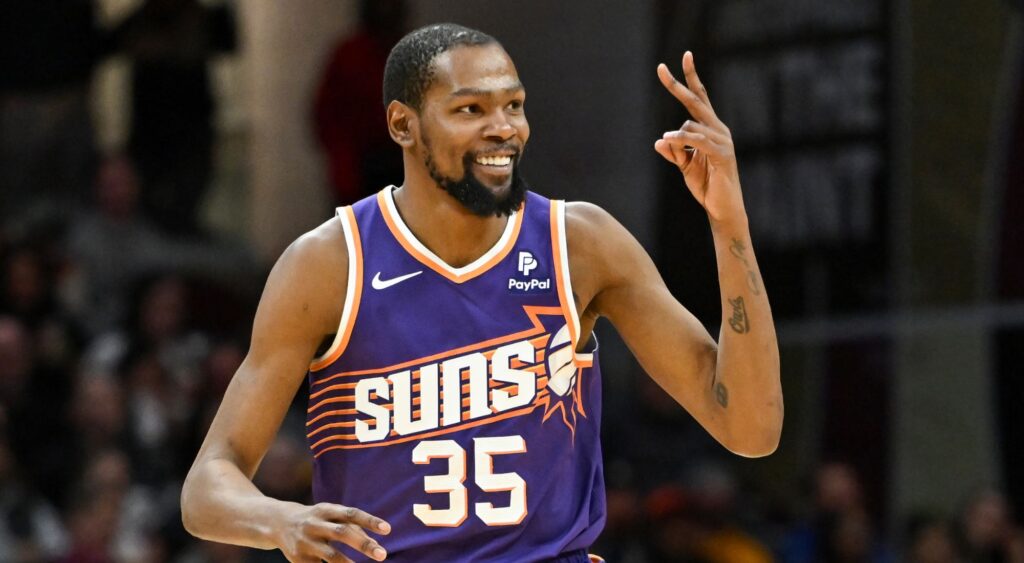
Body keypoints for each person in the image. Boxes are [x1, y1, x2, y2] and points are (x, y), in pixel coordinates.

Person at [181, 23, 783, 562]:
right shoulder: (330, 264)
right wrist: (280, 519)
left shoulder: (580, 245)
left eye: (513, 106)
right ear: (402, 124)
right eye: (470, 109)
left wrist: (729, 223)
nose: (502, 129)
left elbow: (751, 430)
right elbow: (208, 484)